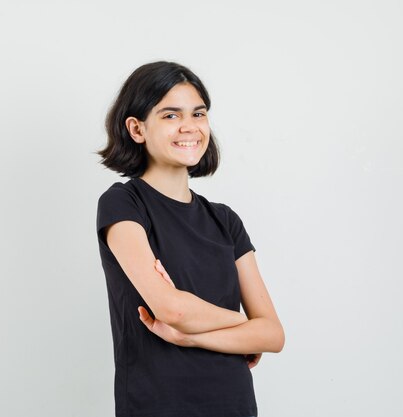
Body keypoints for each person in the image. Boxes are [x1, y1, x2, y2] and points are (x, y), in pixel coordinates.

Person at [95, 61, 284, 417]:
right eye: (170, 115)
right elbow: (173, 309)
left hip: (234, 406)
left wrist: (190, 335)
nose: (189, 127)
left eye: (198, 114)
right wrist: (246, 326)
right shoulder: (123, 203)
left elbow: (274, 335)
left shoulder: (225, 220)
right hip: (158, 405)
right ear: (137, 129)